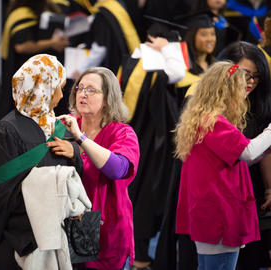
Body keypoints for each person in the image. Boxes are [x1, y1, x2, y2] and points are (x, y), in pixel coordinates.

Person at [0, 54, 85, 270]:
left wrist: (74, 153)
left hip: (59, 233)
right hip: (20, 239)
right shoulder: (6, 131)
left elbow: (76, 178)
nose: (62, 95)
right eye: (58, 87)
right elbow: (2, 193)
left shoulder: (58, 126)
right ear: (42, 88)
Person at [174, 61, 271, 270]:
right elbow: (247, 152)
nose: (245, 94)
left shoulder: (202, 119)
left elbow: (237, 158)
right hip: (219, 214)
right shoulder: (213, 122)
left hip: (209, 211)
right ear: (226, 91)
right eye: (241, 89)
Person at [51, 67, 140, 269]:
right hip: (66, 223)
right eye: (80, 88)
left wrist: (80, 140)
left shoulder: (122, 133)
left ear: (108, 98)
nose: (82, 94)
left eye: (91, 90)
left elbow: (117, 169)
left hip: (105, 229)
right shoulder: (64, 126)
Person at [123, 20, 186, 270]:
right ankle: (139, 256)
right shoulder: (153, 64)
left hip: (133, 136)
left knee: (134, 193)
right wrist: (167, 49)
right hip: (152, 142)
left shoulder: (132, 60)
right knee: (146, 195)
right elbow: (179, 73)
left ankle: (135, 253)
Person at [215, 41, 271, 270]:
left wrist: (269, 187)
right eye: (245, 75)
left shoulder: (257, 103)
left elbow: (265, 151)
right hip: (217, 192)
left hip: (249, 190)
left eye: (256, 77)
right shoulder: (209, 109)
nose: (250, 83)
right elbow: (245, 153)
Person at [0, 0, 69, 118]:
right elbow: (20, 46)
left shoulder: (47, 8)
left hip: (40, 75)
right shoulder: (22, 13)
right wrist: (52, 43)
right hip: (24, 72)